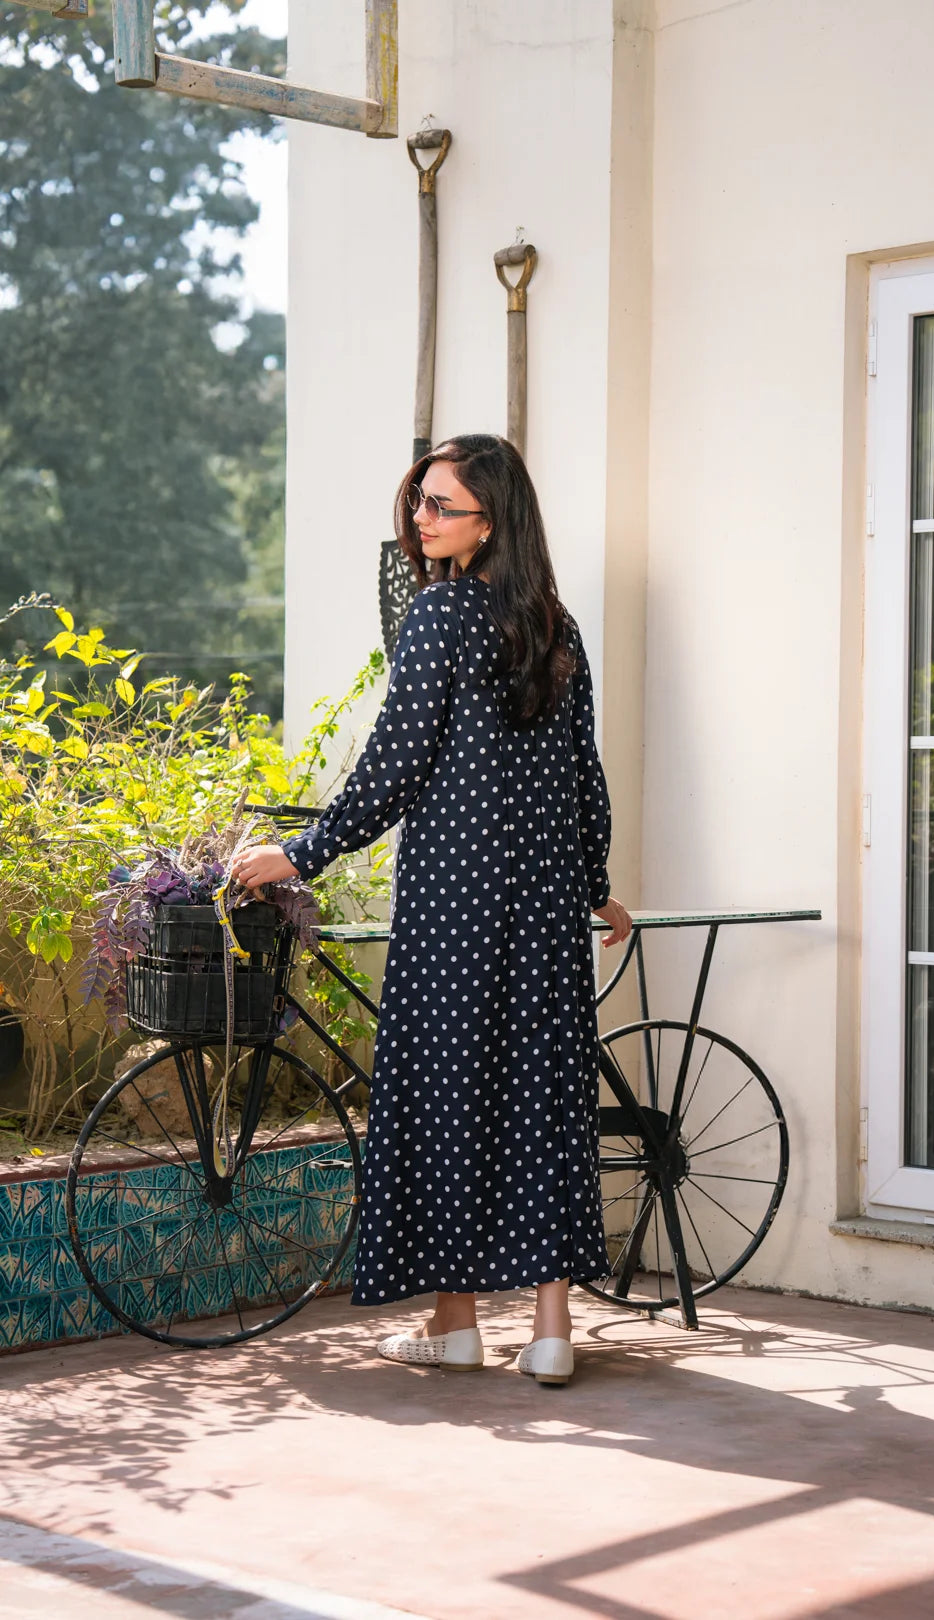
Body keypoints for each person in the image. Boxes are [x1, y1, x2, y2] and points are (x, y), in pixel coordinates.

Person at [234, 433, 632, 1386]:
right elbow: (583, 775)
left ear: (491, 522)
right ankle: (549, 1331)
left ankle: (457, 1325)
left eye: (440, 505)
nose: (419, 519)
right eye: (418, 499)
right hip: (542, 901)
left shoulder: (441, 612)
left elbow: (396, 763)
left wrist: (302, 851)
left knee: (449, 1093)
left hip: (458, 896)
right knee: (542, 1095)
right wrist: (590, 884)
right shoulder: (556, 625)